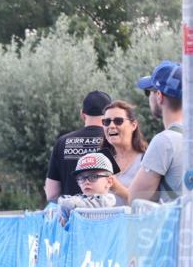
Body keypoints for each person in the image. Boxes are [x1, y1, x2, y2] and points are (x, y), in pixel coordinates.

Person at [129, 60, 185, 203]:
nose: (148, 97)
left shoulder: (165, 141)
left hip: (178, 224)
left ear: (159, 96)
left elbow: (135, 199)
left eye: (149, 92)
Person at [45, 90, 114, 201]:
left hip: (73, 215)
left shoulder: (62, 142)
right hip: (106, 214)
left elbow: (52, 194)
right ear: (109, 114)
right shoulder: (113, 140)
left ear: (82, 114)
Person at [100, 100, 147, 206]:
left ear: (133, 125)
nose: (111, 126)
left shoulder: (146, 160)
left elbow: (146, 204)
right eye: (106, 122)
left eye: (118, 121)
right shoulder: (104, 161)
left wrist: (116, 187)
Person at [57, 151, 117, 226]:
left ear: (109, 181)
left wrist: (64, 215)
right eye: (81, 178)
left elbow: (66, 204)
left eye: (93, 177)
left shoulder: (105, 201)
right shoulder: (82, 199)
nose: (86, 182)